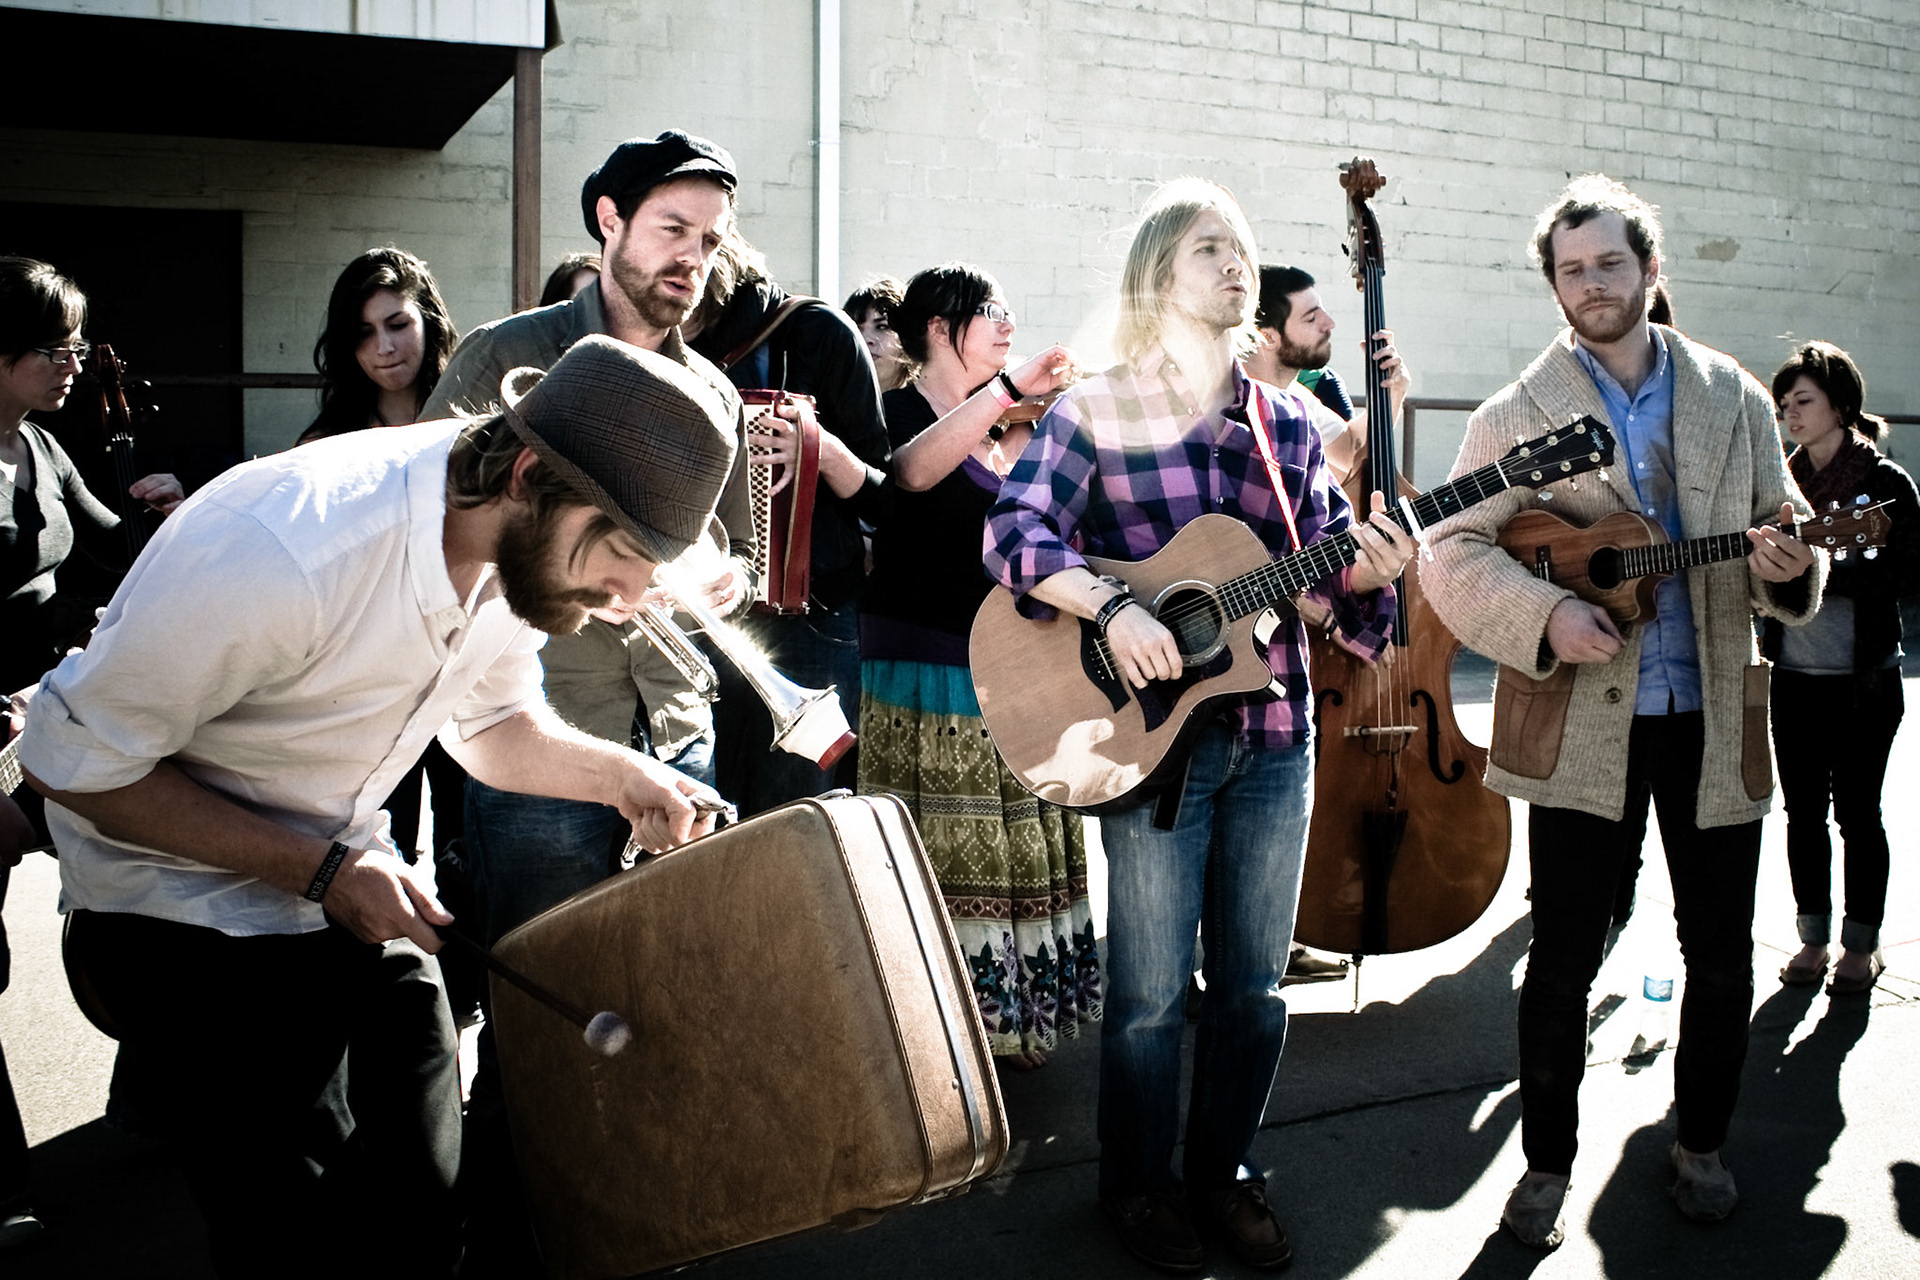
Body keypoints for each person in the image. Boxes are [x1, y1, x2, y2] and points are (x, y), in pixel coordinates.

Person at [18, 334, 738, 1277]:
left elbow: (491, 725)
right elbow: (70, 762)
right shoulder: (286, 541)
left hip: (349, 882)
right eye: (626, 554)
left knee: (427, 1218)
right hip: (176, 907)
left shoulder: (519, 549)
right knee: (299, 1242)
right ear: (527, 473)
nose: (632, 598)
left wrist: (626, 778)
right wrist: (317, 870)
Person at [985, 178, 1412, 1273]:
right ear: (1155, 277)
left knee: (1255, 991)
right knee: (1147, 999)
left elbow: (1337, 591)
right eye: (1210, 249)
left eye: (1246, 250)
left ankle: (1221, 1172)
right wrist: (1116, 603)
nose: (1239, 267)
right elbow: (1014, 533)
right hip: (1150, 745)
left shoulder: (1289, 429)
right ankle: (1137, 1186)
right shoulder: (1100, 407)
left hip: (1273, 738)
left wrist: (1376, 570)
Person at [1417, 175, 1824, 1249]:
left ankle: (1702, 1143)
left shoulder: (1733, 394)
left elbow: (1784, 538)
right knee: (1560, 957)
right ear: (1553, 286)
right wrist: (1548, 614)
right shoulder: (1518, 410)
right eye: (1571, 270)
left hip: (1711, 712)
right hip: (1579, 727)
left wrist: (1791, 564)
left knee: (1723, 949)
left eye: (1608, 263)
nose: (1591, 285)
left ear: (1649, 267)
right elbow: (1448, 549)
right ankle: (1547, 1165)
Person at [858, 262, 1090, 1072]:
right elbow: (913, 475)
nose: (1008, 321)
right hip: (926, 673)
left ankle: (1010, 1019)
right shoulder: (896, 412)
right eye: (989, 310)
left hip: (1008, 667)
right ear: (937, 327)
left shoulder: (1009, 427)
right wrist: (1007, 397)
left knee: (1012, 850)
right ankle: (941, 1029)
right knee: (947, 855)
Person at [0, 257, 184, 1244]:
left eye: (78, 345)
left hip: (45, 714)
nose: (73, 363)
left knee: (154, 873)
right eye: (53, 348)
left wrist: (169, 510)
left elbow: (112, 543)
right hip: (3, 720)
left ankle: (155, 1104)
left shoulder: (38, 446)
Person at [1243, 261, 1413, 986]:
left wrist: (1391, 400)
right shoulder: (1216, 403)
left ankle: (1273, 938)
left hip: (1292, 654)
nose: (1329, 325)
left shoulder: (1300, 409)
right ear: (1265, 331)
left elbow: (1347, 456)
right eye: (1312, 317)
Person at [686, 229, 892, 817]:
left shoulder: (816, 333)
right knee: (702, 821)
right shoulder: (660, 343)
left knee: (794, 822)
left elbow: (883, 499)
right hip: (699, 621)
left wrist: (817, 447)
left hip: (811, 622)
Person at [1767, 341, 1919, 995]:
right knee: (1801, 814)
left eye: (1803, 401)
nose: (1790, 415)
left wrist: (1823, 567)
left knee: (1859, 815)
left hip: (1864, 681)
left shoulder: (1885, 486)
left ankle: (1861, 947)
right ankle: (1812, 939)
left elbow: (1909, 570)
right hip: (1793, 679)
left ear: (1841, 403)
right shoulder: (1779, 486)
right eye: (1783, 405)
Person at [296, 246, 456, 445]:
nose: (384, 347)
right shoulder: (320, 445)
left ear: (429, 323)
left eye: (398, 325)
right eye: (364, 333)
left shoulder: (470, 426)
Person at [844, 275, 914, 391]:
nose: (866, 339)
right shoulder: (825, 403)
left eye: (882, 327)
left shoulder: (935, 405)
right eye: (856, 328)